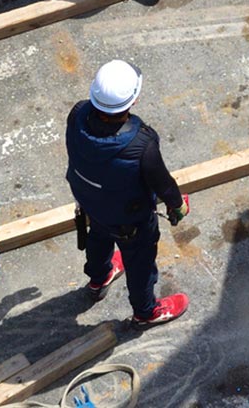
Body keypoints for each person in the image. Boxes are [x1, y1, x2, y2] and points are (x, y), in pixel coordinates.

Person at [65, 59, 190, 326]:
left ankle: (99, 279)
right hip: (129, 221)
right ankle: (146, 312)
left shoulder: (77, 114)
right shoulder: (141, 145)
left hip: (90, 201)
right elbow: (163, 183)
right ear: (133, 101)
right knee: (140, 262)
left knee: (98, 236)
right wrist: (177, 204)